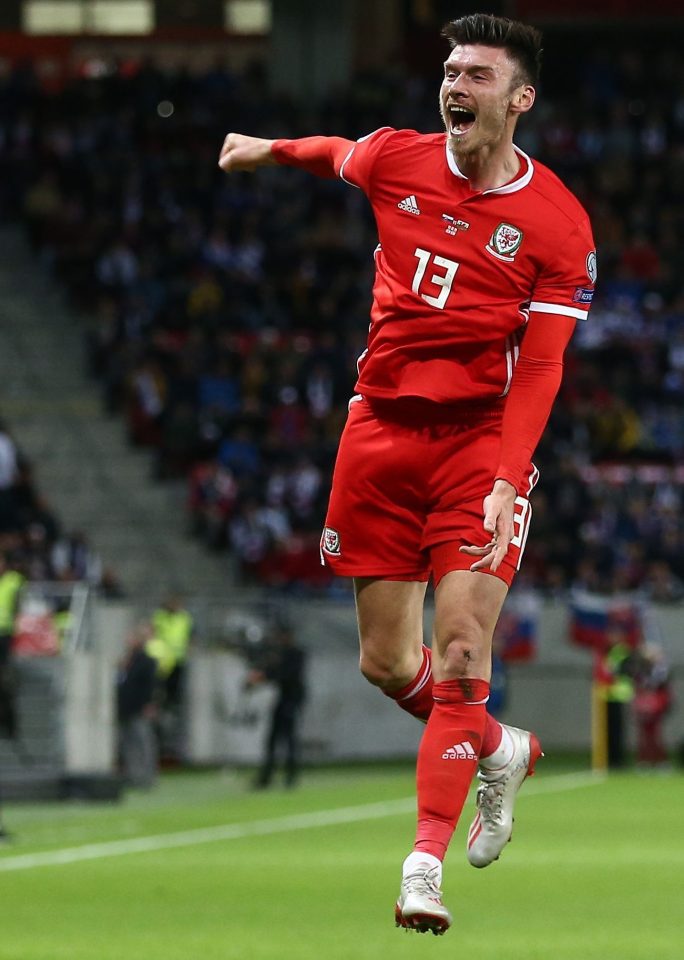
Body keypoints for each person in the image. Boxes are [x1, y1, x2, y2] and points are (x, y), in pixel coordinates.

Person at [219, 13, 595, 934]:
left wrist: (510, 476)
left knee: (463, 651)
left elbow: (541, 367)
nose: (455, 85)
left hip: (477, 447)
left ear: (520, 98)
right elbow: (338, 152)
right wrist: (266, 148)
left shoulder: (558, 223)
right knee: (388, 662)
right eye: (450, 70)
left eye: (476, 74)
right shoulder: (398, 158)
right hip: (379, 434)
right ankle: (498, 746)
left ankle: (422, 864)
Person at [246, 622, 307, 789]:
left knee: (288, 740)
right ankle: (268, 776)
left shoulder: (296, 654)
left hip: (292, 699)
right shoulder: (283, 653)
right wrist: (260, 676)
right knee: (274, 739)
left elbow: (286, 674)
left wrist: (262, 677)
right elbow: (273, 671)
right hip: (284, 699)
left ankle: (289, 776)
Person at [117, 622, 159, 788]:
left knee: (143, 743)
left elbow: (151, 686)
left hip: (140, 708)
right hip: (126, 708)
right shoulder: (128, 661)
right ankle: (133, 776)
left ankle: (147, 777)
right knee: (128, 744)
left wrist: (150, 705)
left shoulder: (147, 661)